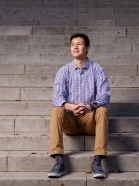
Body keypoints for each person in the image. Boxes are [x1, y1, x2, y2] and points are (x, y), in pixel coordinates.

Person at [48, 33, 111, 179]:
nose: (75, 47)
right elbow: (56, 97)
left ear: (87, 47)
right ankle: (58, 160)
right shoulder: (64, 71)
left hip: (90, 121)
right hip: (70, 121)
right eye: (72, 44)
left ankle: (97, 160)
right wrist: (70, 107)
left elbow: (105, 95)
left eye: (80, 44)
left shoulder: (98, 69)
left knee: (102, 110)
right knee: (57, 110)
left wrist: (89, 107)